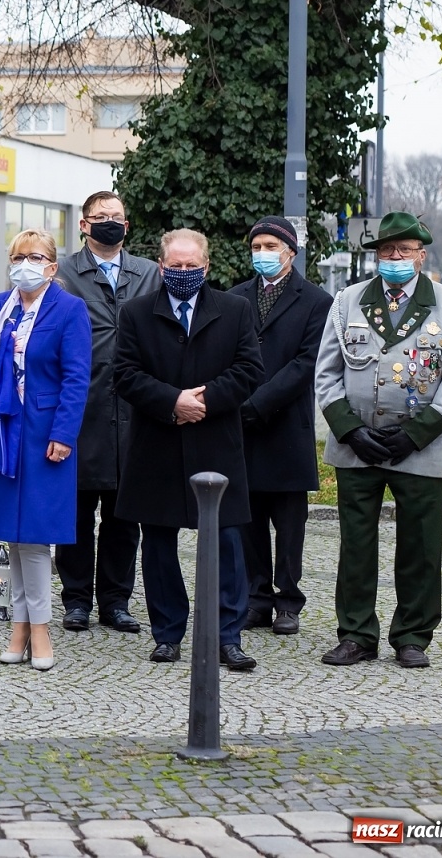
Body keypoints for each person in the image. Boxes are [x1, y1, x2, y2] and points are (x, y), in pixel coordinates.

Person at [315, 211, 442, 670]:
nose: (395, 258)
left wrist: (417, 433)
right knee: (356, 544)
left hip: (420, 445)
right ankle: (356, 634)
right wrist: (350, 430)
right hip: (356, 443)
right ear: (377, 256)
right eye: (387, 251)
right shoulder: (347, 301)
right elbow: (326, 373)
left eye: (404, 251)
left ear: (421, 256)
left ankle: (412, 636)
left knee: (421, 546)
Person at [113, 228, 262, 671]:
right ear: (161, 267)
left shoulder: (234, 310)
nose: (183, 273)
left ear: (206, 266)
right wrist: (171, 402)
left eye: (191, 266)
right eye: (175, 266)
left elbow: (250, 369)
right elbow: (123, 373)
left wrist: (204, 401)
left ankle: (228, 637)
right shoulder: (137, 312)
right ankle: (167, 633)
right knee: (158, 546)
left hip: (217, 444)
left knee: (229, 546)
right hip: (156, 445)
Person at [0, 230, 91, 671]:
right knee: (11, 538)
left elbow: (76, 378)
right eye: (18, 256)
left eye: (36, 257)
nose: (26, 264)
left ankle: (40, 629)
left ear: (53, 266)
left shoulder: (69, 309)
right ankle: (18, 625)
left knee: (34, 538)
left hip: (43, 436)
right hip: (0, 432)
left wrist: (64, 434)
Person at [51, 191, 157, 634]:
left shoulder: (149, 274)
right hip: (79, 410)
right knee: (74, 511)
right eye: (100, 216)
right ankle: (75, 599)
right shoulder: (63, 275)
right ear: (83, 224)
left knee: (123, 515)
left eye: (117, 217)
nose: (109, 223)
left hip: (134, 412)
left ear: (127, 226)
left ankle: (116, 601)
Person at [226, 216, 332, 636]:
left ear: (290, 250)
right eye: (257, 246)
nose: (263, 253)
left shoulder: (316, 301)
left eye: (271, 245)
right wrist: (240, 403)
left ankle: (289, 600)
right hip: (244, 429)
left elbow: (307, 363)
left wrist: (260, 403)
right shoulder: (235, 298)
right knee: (249, 521)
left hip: (287, 426)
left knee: (289, 526)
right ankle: (257, 598)